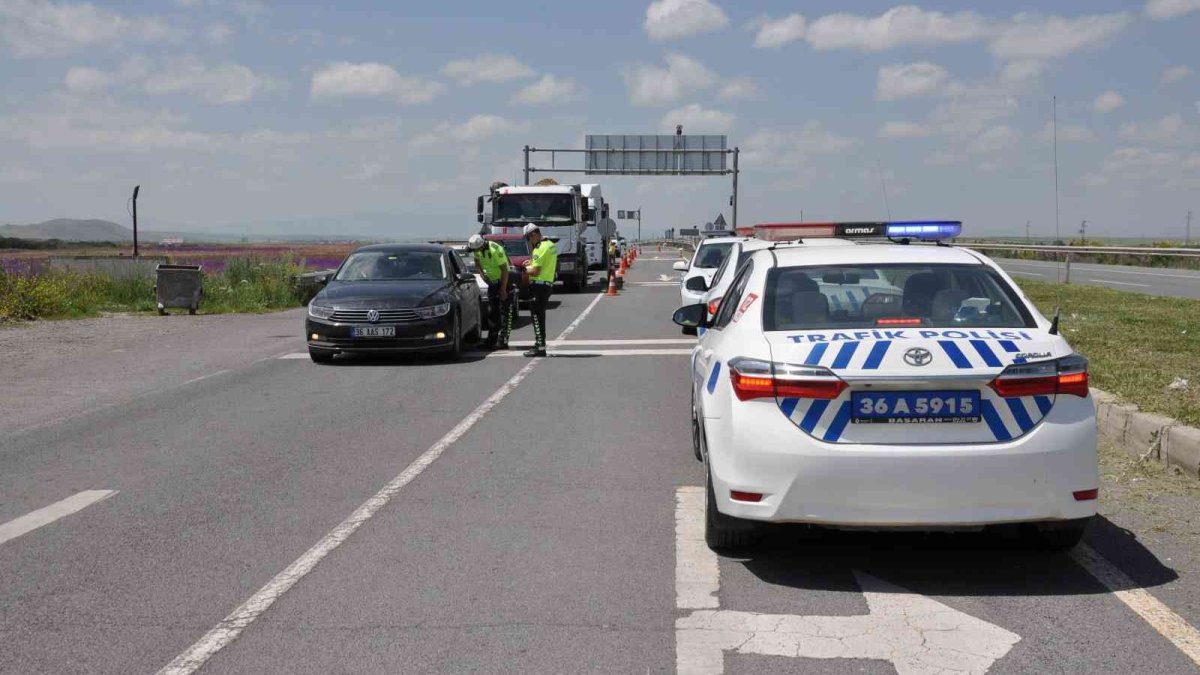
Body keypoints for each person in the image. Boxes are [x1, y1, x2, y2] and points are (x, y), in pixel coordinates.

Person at [466, 234, 513, 349]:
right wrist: (482, 275)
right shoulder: (478, 250)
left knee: (504, 312)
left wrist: (502, 290)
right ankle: (491, 339)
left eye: (475, 249)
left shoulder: (495, 249)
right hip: (492, 283)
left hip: (504, 282)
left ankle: (503, 340)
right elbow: (477, 262)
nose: (474, 251)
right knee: (492, 312)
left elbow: (505, 270)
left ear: (480, 246)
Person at [522, 223, 557, 357]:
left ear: (534, 235)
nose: (528, 241)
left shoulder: (539, 248)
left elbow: (535, 271)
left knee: (536, 317)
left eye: (528, 238)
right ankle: (540, 343)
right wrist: (530, 262)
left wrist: (524, 270)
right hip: (547, 284)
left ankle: (540, 346)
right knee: (540, 316)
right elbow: (543, 264)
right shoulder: (550, 245)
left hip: (538, 286)